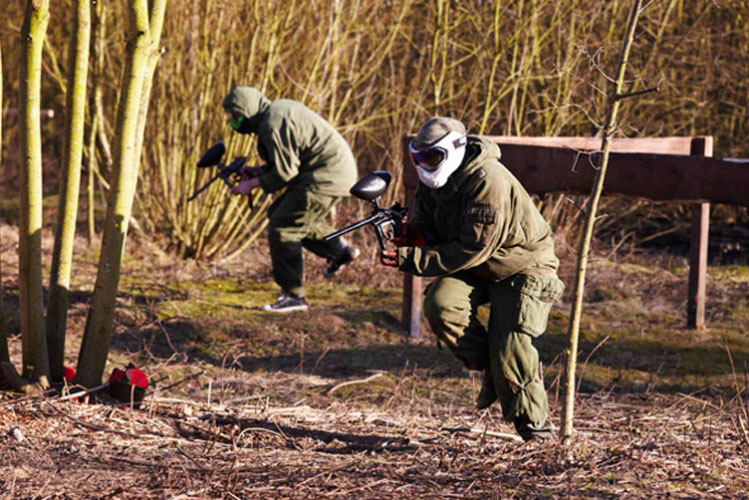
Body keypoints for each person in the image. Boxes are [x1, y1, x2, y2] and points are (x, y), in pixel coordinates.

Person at [381, 117, 565, 441]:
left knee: (511, 347)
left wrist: (411, 258)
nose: (424, 165)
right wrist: (410, 235)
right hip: (478, 265)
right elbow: (430, 230)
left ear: (452, 151)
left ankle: (537, 434)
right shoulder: (432, 184)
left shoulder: (488, 180)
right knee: (441, 305)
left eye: (431, 158)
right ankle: (495, 370)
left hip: (522, 265)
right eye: (417, 158)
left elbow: (470, 249)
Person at [223, 86, 360, 313]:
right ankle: (339, 250)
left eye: (236, 116)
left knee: (283, 226)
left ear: (247, 110)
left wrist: (251, 184)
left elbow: (285, 173)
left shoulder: (272, 124)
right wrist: (257, 173)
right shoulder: (277, 113)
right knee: (285, 216)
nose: (233, 122)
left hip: (325, 177)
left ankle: (293, 296)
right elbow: (287, 162)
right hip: (332, 174)